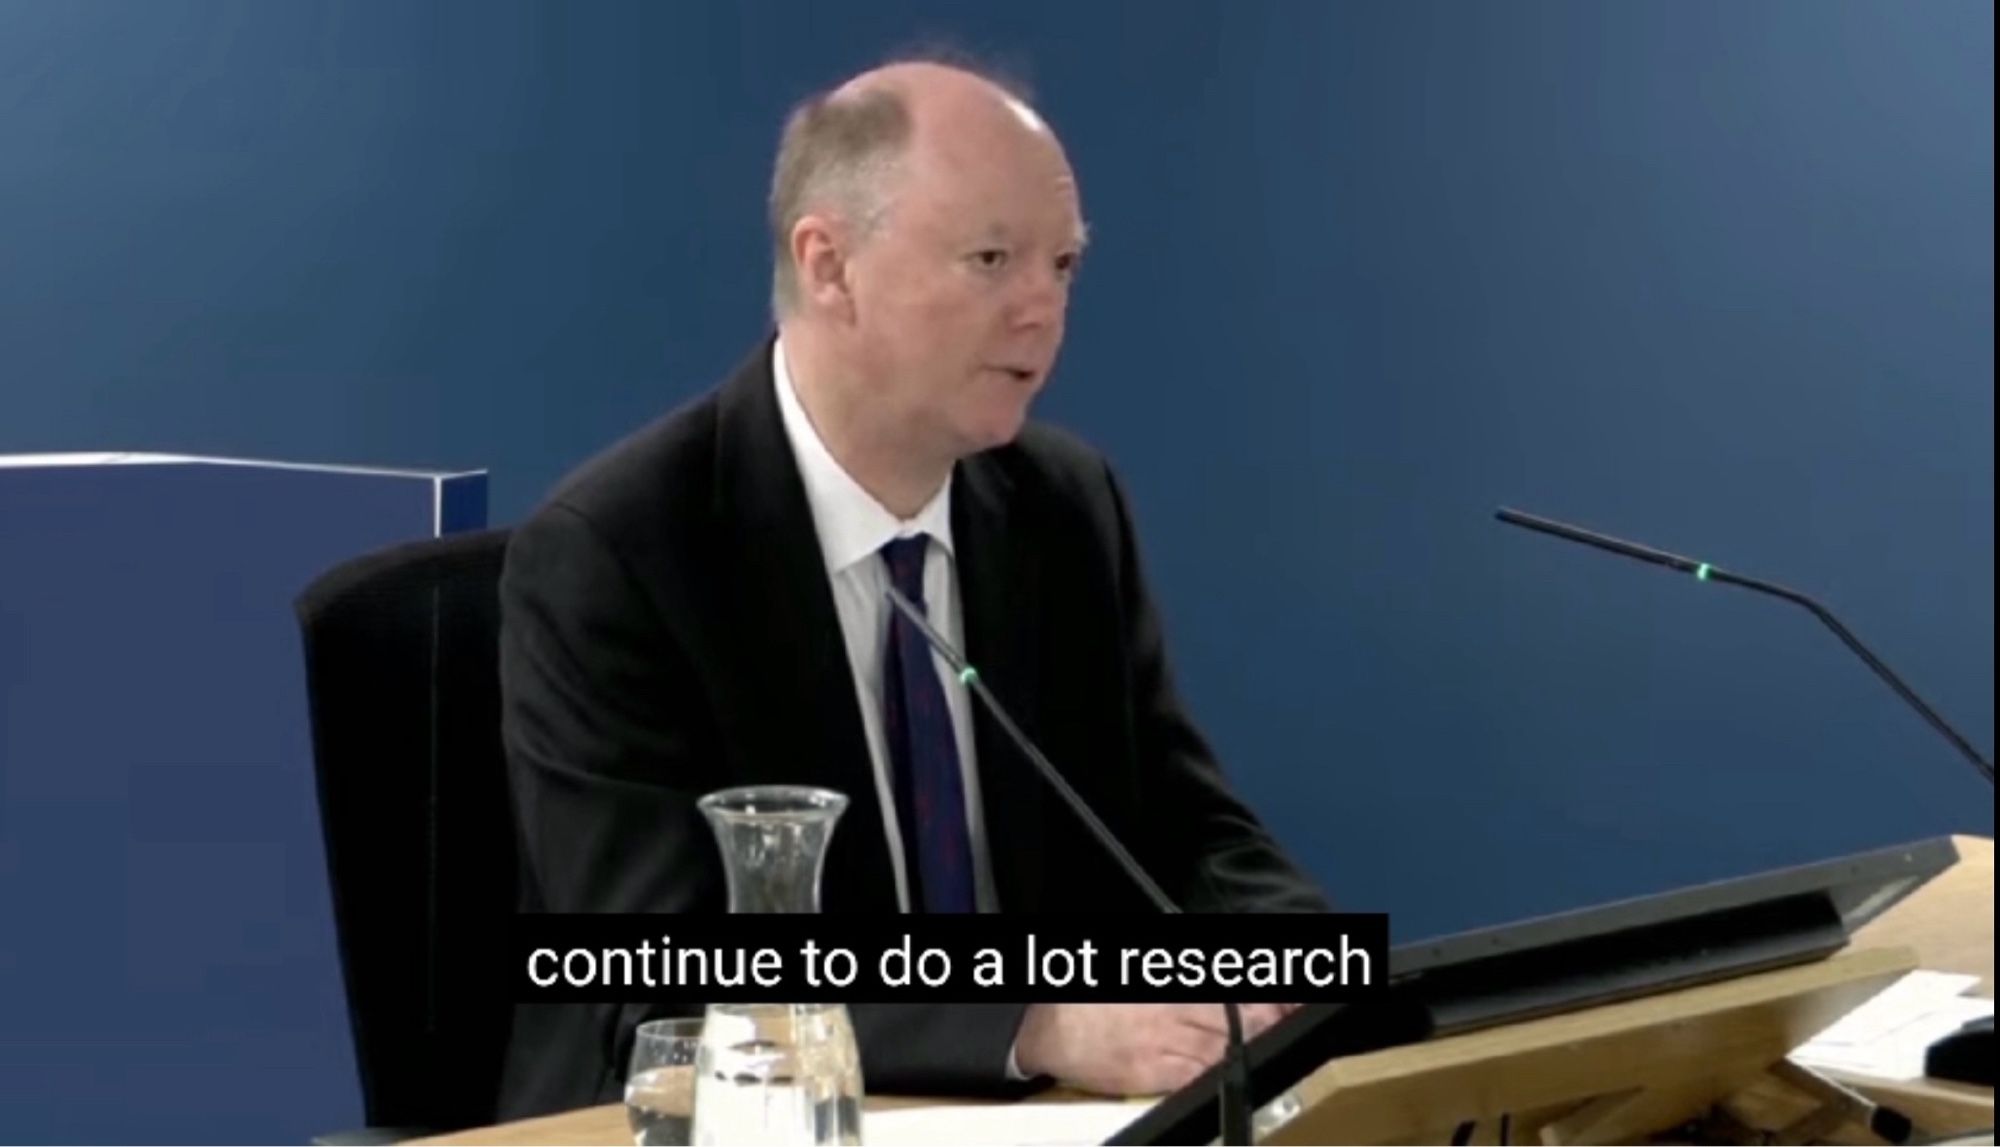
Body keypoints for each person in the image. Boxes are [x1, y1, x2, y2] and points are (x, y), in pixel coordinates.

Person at [496, 57, 1329, 1120]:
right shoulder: (617, 555)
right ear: (828, 264)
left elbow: (1185, 833)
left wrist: (1309, 976)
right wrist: (1037, 1020)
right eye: (991, 259)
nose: (1042, 308)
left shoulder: (1063, 510)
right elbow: (659, 983)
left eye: (1064, 265)